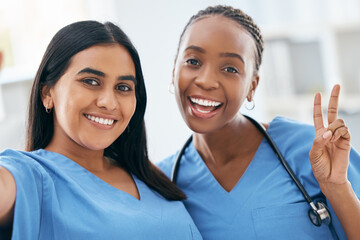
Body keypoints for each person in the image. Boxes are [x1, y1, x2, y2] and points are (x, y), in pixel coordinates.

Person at [158, 5, 360, 240]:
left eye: (230, 68)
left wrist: (336, 187)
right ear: (174, 68)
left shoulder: (312, 150)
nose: (206, 80)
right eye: (193, 61)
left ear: (252, 86)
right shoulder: (163, 182)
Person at [0, 20, 202, 240]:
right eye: (91, 81)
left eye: (123, 87)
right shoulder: (28, 176)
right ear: (47, 93)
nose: (109, 102)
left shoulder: (148, 174)